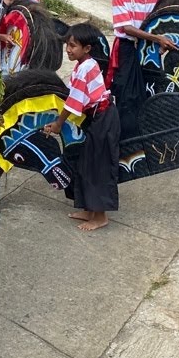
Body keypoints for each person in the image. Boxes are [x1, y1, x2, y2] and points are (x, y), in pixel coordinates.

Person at [43, 23, 119, 232]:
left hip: (104, 119)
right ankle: (88, 209)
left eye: (73, 46)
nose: (68, 49)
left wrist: (58, 124)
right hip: (97, 118)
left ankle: (100, 216)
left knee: (98, 166)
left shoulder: (85, 68)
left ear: (87, 48)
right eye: (67, 45)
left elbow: (72, 103)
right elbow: (69, 94)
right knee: (86, 163)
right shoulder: (82, 65)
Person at [110, 0, 178, 137]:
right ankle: (125, 134)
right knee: (126, 90)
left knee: (150, 86)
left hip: (149, 48)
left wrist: (161, 42)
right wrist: (157, 39)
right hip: (127, 47)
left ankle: (144, 132)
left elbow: (160, 21)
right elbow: (126, 28)